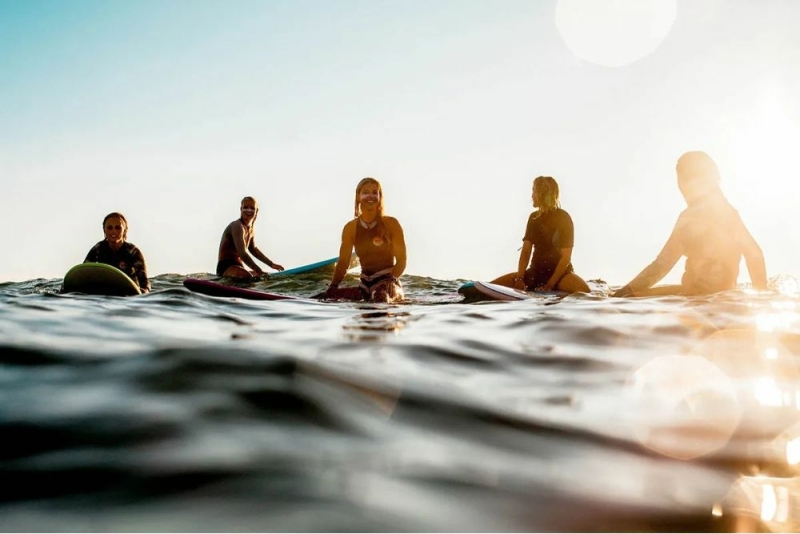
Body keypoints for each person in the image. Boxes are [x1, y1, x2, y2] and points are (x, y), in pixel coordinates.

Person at [612, 151, 767, 297]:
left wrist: (624, 291)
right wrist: (761, 292)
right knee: (641, 293)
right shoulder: (729, 213)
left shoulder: (691, 218)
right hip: (723, 294)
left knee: (627, 297)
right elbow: (754, 254)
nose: (681, 187)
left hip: (695, 298)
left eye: (683, 180)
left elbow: (661, 265)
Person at [491, 176, 590, 293]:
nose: (532, 195)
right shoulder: (533, 218)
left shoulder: (563, 218)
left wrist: (550, 285)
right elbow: (526, 250)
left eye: (534, 191)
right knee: (491, 286)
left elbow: (566, 257)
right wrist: (520, 278)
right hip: (534, 273)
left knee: (585, 292)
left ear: (543, 193)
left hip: (561, 276)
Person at [323, 177, 407, 303]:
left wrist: (391, 279)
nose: (371, 196)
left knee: (379, 297)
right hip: (364, 287)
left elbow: (402, 260)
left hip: (390, 285)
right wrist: (333, 287)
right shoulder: (350, 228)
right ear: (358, 197)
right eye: (366, 192)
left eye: (375, 193)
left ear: (380, 197)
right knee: (324, 299)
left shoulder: (391, 224)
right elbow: (343, 263)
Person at [217, 196, 285, 279]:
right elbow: (243, 254)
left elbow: (254, 250)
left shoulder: (250, 229)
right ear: (241, 209)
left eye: (252, 208)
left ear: (256, 211)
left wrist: (271, 264)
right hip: (226, 267)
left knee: (268, 277)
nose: (249, 210)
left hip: (239, 266)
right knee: (247, 276)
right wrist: (258, 270)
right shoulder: (237, 226)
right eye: (245, 207)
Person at [84, 212, 151, 293]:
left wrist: (142, 293)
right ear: (104, 230)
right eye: (110, 228)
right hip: (103, 293)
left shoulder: (132, 252)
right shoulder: (98, 249)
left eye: (118, 228)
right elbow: (85, 272)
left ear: (125, 231)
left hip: (127, 294)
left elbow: (144, 283)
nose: (113, 231)